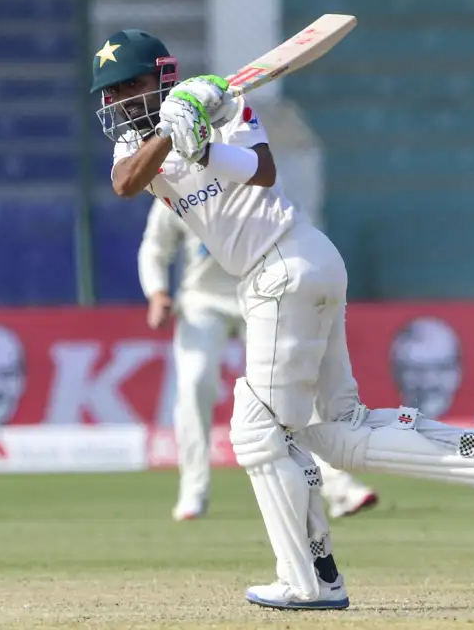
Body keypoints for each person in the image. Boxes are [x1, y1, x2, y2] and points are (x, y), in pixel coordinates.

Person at [93, 29, 474, 611]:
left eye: (133, 84)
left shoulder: (223, 105)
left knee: (258, 432)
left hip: (286, 262)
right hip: (283, 272)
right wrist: (170, 130)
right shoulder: (135, 142)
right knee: (338, 430)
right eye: (114, 92)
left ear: (163, 76)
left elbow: (262, 170)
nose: (124, 99)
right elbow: (127, 182)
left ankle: (307, 581)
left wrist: (204, 141)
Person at [138, 198, 378, 521]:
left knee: (291, 389)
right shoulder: (177, 185)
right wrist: (157, 292)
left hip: (261, 295)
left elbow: (296, 232)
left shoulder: (249, 180)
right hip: (203, 301)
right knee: (195, 382)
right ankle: (193, 491)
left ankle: (339, 488)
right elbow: (154, 248)